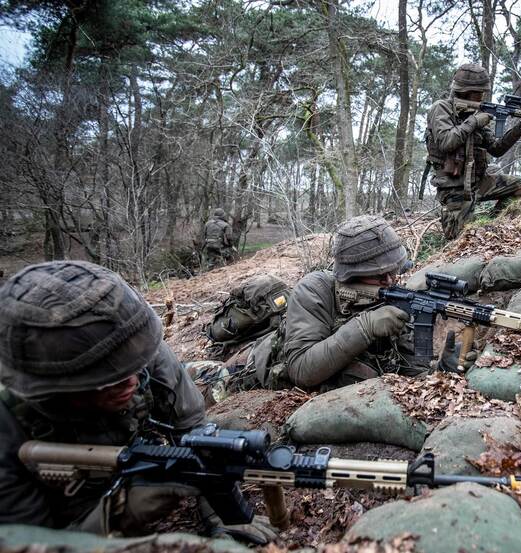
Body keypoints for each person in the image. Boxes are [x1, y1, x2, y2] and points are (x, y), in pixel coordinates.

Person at [0, 260, 277, 543]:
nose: (132, 380)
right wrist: (123, 511)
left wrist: (223, 515)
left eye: (135, 364)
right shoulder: (10, 423)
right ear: (53, 389)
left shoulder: (137, 346)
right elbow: (27, 543)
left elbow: (196, 436)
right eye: (109, 378)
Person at [282, 215, 477, 391]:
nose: (390, 280)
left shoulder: (388, 296)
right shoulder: (314, 290)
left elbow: (408, 372)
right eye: (379, 275)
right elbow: (300, 371)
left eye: (393, 271)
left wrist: (442, 370)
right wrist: (364, 327)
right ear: (351, 274)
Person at [425, 63, 521, 240]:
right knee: (460, 240)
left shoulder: (476, 112)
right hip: (455, 188)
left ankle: (490, 225)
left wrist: (520, 128)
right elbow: (446, 142)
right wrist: (474, 122)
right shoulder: (441, 109)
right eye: (479, 93)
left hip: (479, 183)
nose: (482, 96)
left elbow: (496, 148)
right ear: (465, 91)